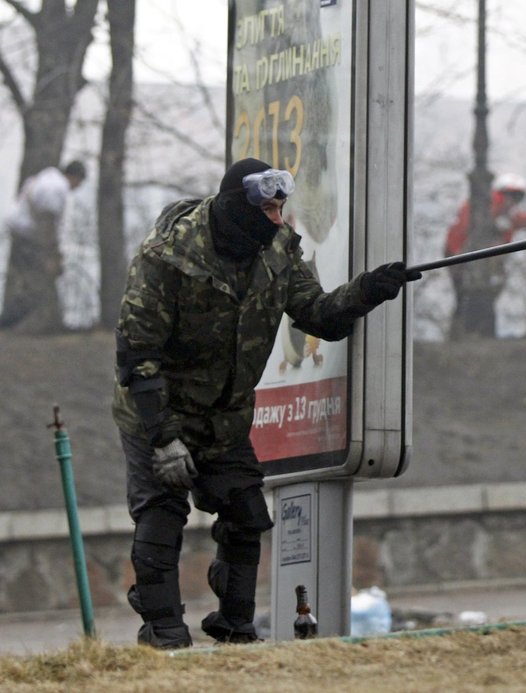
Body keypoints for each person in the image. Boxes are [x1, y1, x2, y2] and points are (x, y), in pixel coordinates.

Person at [112, 158, 420, 649]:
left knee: (245, 513)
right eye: (270, 209)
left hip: (225, 417)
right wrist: (163, 439)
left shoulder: (277, 250)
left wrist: (368, 291)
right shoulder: (166, 256)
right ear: (238, 207)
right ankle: (163, 629)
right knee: (161, 513)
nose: (279, 218)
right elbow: (137, 354)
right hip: (159, 408)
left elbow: (319, 315)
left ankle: (235, 628)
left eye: (282, 208)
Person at [0, 160, 87, 332]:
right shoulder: (56, 188)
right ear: (74, 177)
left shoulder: (46, 177)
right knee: (36, 285)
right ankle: (7, 323)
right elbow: (47, 223)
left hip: (21, 236)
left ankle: (15, 323)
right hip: (31, 240)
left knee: (27, 283)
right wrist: (53, 255)